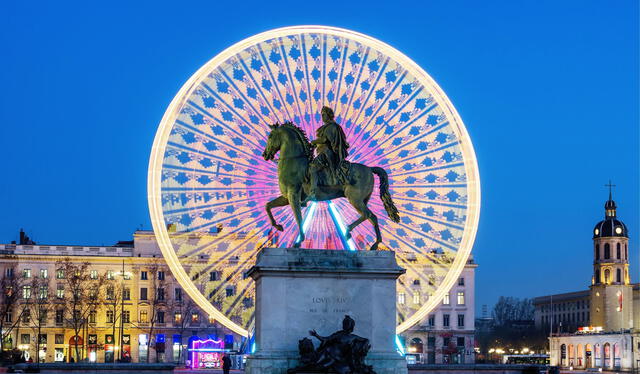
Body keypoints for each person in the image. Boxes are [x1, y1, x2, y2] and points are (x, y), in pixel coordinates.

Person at [306, 106, 350, 202]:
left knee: (313, 168)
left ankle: (313, 192)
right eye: (321, 115)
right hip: (321, 152)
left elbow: (325, 139)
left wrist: (314, 142)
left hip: (327, 153)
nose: (322, 117)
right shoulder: (325, 127)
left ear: (329, 115)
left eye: (324, 115)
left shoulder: (332, 126)